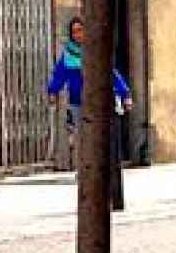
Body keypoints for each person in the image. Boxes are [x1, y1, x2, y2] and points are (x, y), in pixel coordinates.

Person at [47, 17, 130, 163]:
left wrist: (125, 94)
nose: (78, 35)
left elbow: (112, 73)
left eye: (80, 30)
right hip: (77, 102)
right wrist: (53, 91)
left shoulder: (96, 51)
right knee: (81, 136)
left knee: (98, 137)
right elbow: (59, 74)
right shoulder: (68, 55)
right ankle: (85, 168)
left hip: (97, 102)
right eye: (74, 32)